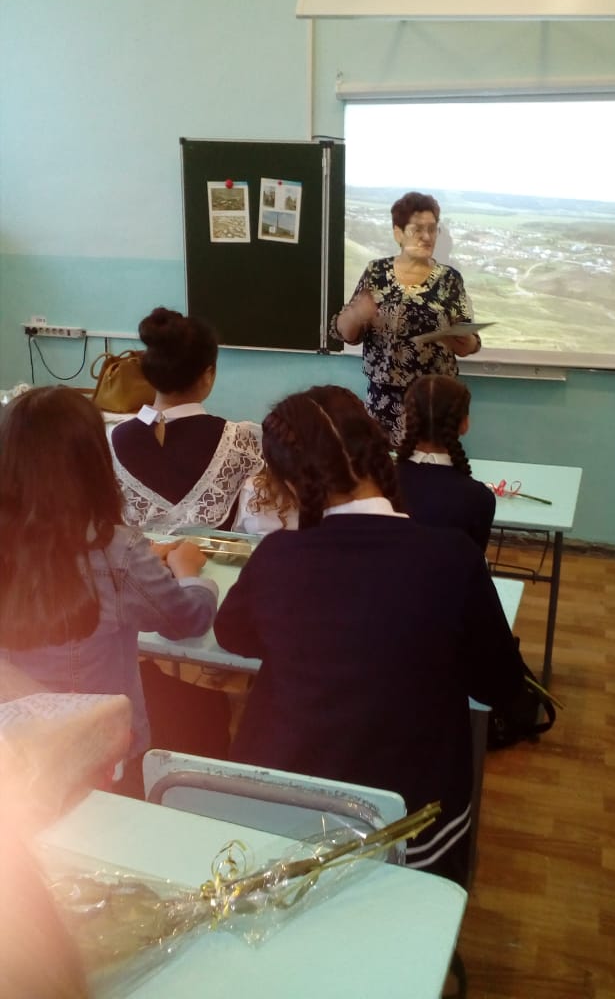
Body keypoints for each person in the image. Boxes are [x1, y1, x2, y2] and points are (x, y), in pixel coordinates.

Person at [214, 384, 523, 891]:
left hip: (284, 812)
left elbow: (232, 635)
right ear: (380, 452)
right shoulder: (451, 557)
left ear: (289, 483)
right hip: (409, 821)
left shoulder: (277, 557)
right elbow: (500, 686)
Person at [0, 386, 219, 771]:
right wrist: (188, 573)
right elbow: (187, 621)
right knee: (204, 711)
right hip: (102, 755)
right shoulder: (118, 551)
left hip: (17, 753)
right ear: (94, 463)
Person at [331, 191, 481, 446]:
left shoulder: (450, 279)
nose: (427, 237)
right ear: (398, 233)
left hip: (433, 402)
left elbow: (470, 343)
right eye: (417, 229)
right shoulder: (376, 272)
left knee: (429, 466)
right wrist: (356, 315)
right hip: (383, 401)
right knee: (384, 467)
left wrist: (462, 338)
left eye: (432, 229)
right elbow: (344, 333)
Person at [109, 306, 265, 533]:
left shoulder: (112, 439)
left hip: (131, 556)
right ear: (208, 375)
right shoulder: (240, 441)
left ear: (150, 373)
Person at [395, 375, 496, 554]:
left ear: (406, 421)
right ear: (464, 424)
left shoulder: (380, 484)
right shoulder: (480, 498)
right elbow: (473, 561)